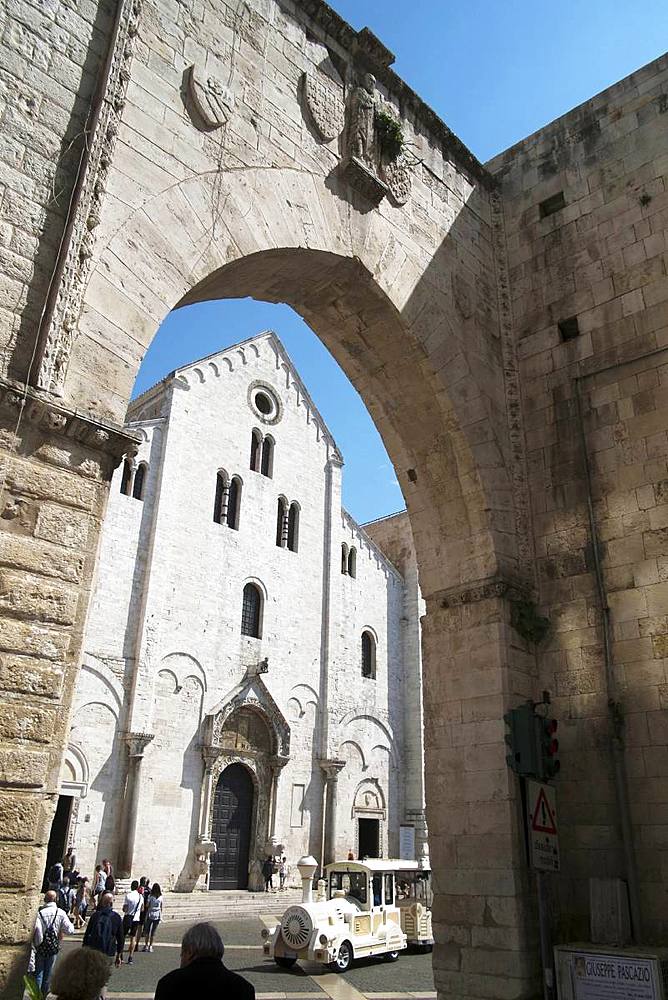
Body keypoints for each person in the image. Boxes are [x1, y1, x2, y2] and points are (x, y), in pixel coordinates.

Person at [154, 922, 254, 1000]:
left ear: (190, 951)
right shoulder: (244, 988)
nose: (181, 956)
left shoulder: (168, 984)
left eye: (182, 952)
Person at [29, 889, 75, 996]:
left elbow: (38, 933)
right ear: (56, 899)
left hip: (40, 947)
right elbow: (70, 930)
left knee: (38, 973)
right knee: (48, 974)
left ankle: (36, 996)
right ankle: (44, 995)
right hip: (53, 947)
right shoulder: (60, 913)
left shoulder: (39, 913)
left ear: (45, 899)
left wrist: (37, 944)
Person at [83, 892, 124, 969]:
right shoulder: (116, 917)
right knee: (104, 974)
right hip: (109, 950)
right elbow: (120, 938)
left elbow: (87, 934)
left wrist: (84, 950)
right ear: (111, 903)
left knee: (93, 973)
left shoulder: (95, 916)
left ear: (102, 902)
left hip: (94, 950)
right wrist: (119, 954)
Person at [122, 879, 143, 963]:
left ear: (131, 886)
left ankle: (121, 955)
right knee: (132, 938)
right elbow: (142, 909)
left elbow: (125, 909)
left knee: (123, 937)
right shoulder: (140, 897)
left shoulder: (128, 895)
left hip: (128, 917)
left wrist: (125, 909)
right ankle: (130, 957)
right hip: (136, 919)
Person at [142, 883, 163, 952]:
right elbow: (161, 906)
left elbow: (147, 905)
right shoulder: (161, 897)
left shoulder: (150, 896)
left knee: (147, 930)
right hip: (157, 914)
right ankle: (151, 946)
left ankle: (146, 945)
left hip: (150, 914)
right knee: (153, 932)